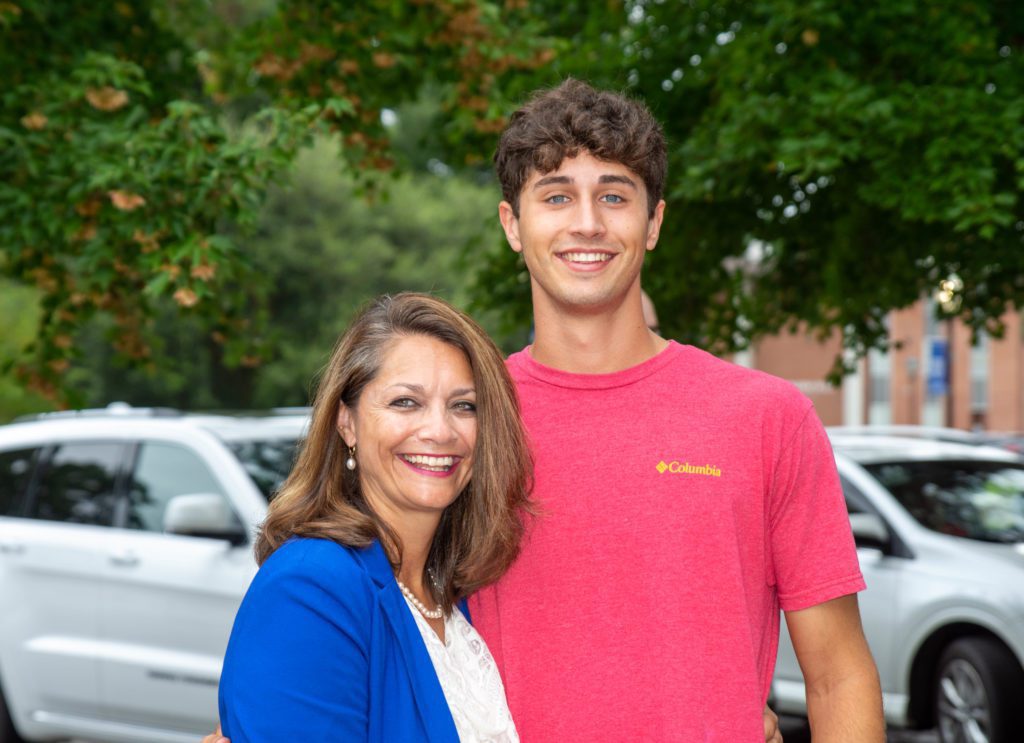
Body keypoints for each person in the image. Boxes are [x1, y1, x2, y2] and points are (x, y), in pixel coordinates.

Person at [209, 79, 881, 741]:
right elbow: (373, 626)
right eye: (556, 196)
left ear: (653, 223)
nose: (586, 222)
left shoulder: (766, 416)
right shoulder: (463, 427)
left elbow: (837, 676)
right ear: (512, 223)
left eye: (614, 196)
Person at [216, 293, 530, 741]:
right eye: (405, 402)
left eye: (464, 406)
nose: (440, 431)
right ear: (347, 422)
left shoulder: (454, 598)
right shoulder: (312, 589)